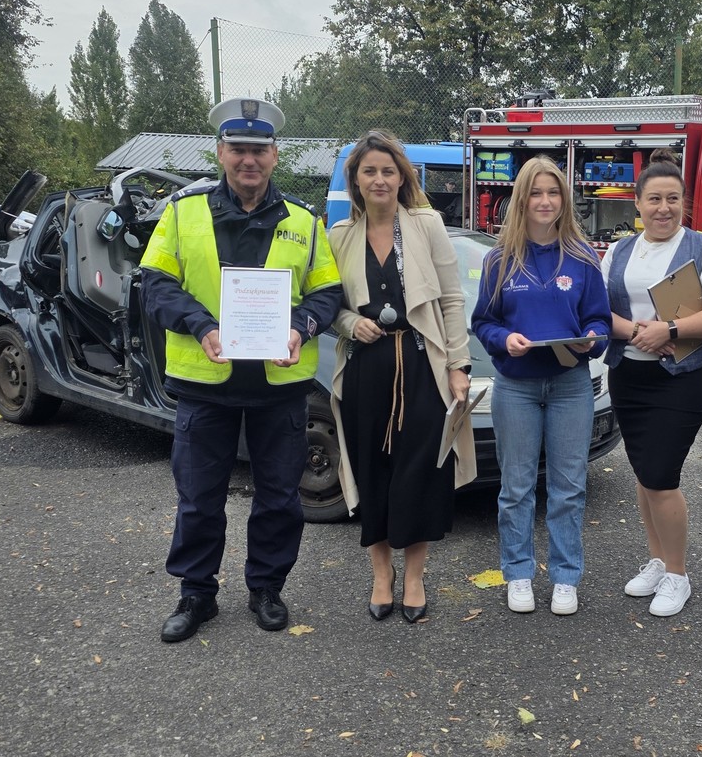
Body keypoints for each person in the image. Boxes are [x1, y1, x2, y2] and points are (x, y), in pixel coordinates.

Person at [141, 98, 343, 643]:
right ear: (220, 152)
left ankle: (266, 588)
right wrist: (202, 326)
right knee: (199, 497)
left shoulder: (303, 220)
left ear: (275, 156)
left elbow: (327, 292)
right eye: (238, 150)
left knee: (280, 496)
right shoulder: (183, 213)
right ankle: (196, 594)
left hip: (279, 386)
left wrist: (301, 325)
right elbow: (156, 285)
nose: (248, 160)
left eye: (259, 150)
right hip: (206, 385)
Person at [327, 130, 476, 625]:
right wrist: (351, 323)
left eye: (388, 170)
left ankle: (414, 577)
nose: (379, 179)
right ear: (356, 179)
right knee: (373, 470)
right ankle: (380, 574)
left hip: (421, 365)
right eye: (369, 170)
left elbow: (451, 300)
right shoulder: (339, 236)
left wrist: (458, 367)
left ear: (402, 177)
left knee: (420, 473)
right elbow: (331, 308)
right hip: (366, 369)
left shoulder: (426, 224)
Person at [471, 157, 612, 616]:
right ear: (522, 199)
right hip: (516, 386)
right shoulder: (499, 259)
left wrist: (593, 338)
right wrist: (502, 339)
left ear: (564, 199)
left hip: (571, 383)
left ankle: (566, 576)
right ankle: (518, 573)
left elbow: (598, 318)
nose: (545, 201)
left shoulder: (584, 257)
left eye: (553, 193)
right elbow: (484, 322)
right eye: (536, 193)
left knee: (569, 487)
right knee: (516, 487)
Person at [601, 149, 702, 617]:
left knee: (661, 477)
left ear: (684, 203)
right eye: (654, 199)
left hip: (678, 381)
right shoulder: (618, 251)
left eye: (673, 199)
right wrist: (641, 331)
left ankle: (678, 574)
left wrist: (671, 331)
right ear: (636, 204)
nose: (664, 208)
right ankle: (657, 561)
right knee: (643, 474)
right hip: (629, 376)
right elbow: (601, 312)